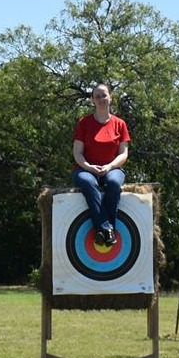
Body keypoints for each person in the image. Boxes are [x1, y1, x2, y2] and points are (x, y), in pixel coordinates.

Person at [72, 82, 129, 247]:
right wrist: (89, 167)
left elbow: (123, 153)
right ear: (92, 101)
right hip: (86, 169)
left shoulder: (120, 124)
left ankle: (102, 232)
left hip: (112, 168)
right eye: (97, 96)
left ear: (110, 98)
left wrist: (110, 166)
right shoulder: (84, 123)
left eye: (104, 95)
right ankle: (108, 229)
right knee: (88, 182)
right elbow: (77, 153)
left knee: (113, 183)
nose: (101, 99)